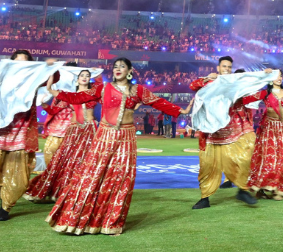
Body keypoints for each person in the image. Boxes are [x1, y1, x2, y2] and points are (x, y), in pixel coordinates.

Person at [45, 58, 181, 235]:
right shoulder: (104, 89)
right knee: (93, 174)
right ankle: (79, 219)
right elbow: (78, 97)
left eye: (122, 66)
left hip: (126, 137)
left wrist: (180, 111)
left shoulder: (138, 90)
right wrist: (52, 91)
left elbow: (157, 102)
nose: (118, 69)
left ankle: (111, 222)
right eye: (115, 66)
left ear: (130, 70)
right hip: (105, 135)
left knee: (122, 177)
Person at [0, 49, 44, 221]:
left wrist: (48, 67)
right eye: (17, 61)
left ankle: (6, 206)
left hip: (22, 132)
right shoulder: (2, 79)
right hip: (1, 130)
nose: (21, 65)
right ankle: (2, 192)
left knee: (19, 177)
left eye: (25, 61)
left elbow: (53, 77)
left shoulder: (34, 80)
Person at [189, 57, 259, 209]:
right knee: (207, 167)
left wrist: (265, 81)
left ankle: (243, 189)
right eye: (224, 66)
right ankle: (205, 198)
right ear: (218, 68)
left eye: (229, 67)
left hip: (234, 130)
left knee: (244, 157)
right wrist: (208, 78)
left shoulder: (235, 85)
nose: (227, 69)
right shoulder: (210, 82)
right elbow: (193, 85)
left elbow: (248, 98)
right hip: (212, 133)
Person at [24, 69, 98, 203]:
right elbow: (54, 109)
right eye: (82, 75)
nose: (85, 77)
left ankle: (83, 191)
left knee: (88, 160)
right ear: (77, 79)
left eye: (88, 75)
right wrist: (44, 103)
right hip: (75, 129)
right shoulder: (70, 96)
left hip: (90, 130)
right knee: (67, 160)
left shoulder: (95, 94)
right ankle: (64, 190)